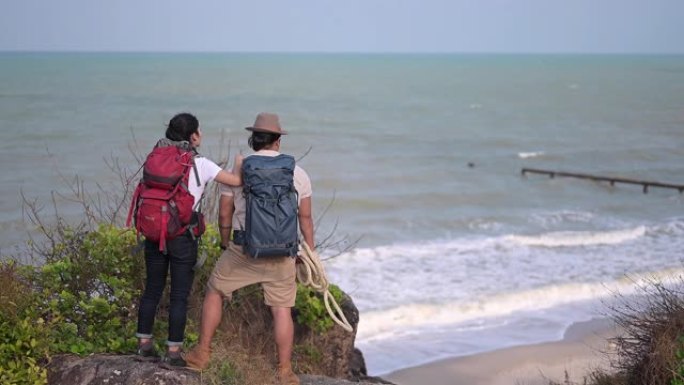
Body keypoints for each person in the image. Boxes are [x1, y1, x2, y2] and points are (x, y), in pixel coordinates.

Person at [185, 112, 314, 385]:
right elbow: (305, 217)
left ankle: (202, 354)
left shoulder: (241, 169)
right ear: (277, 141)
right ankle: (285, 371)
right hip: (283, 254)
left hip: (243, 250)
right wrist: (309, 253)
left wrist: (223, 241)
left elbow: (224, 213)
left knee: (215, 291)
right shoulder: (297, 172)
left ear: (253, 139)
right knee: (281, 310)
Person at [135, 112, 244, 366]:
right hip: (182, 235)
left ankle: (143, 345)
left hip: (154, 232)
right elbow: (236, 181)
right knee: (179, 295)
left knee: (152, 289)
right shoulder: (201, 163)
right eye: (199, 131)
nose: (201, 135)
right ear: (193, 136)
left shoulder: (155, 158)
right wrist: (239, 161)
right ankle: (173, 353)